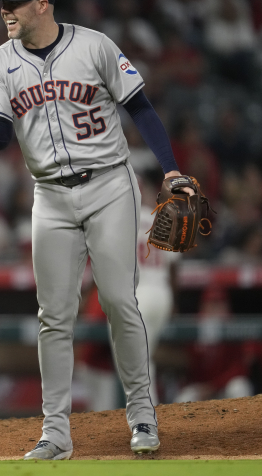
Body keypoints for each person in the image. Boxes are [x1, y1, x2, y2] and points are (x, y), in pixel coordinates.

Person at [0, 0, 191, 458]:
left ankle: (142, 414)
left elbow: (141, 108)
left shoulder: (94, 46)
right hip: (49, 194)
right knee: (54, 315)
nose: (4, 11)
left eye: (13, 3)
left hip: (109, 183)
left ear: (42, 4)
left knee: (119, 300)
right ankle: (55, 433)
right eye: (2, 3)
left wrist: (170, 169)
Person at [76, 176, 177, 410]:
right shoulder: (160, 218)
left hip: (138, 296)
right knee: (140, 359)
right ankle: (146, 414)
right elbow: (174, 268)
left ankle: (147, 416)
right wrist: (174, 301)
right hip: (161, 294)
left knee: (132, 362)